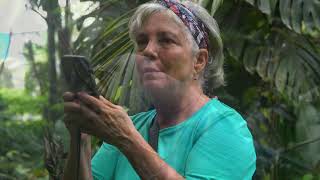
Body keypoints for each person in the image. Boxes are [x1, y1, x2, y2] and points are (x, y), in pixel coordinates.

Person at [62, 0, 256, 179]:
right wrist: (81, 140)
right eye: (142, 42)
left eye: (166, 40)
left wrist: (127, 139)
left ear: (198, 61)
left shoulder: (224, 126)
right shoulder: (132, 126)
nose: (148, 50)